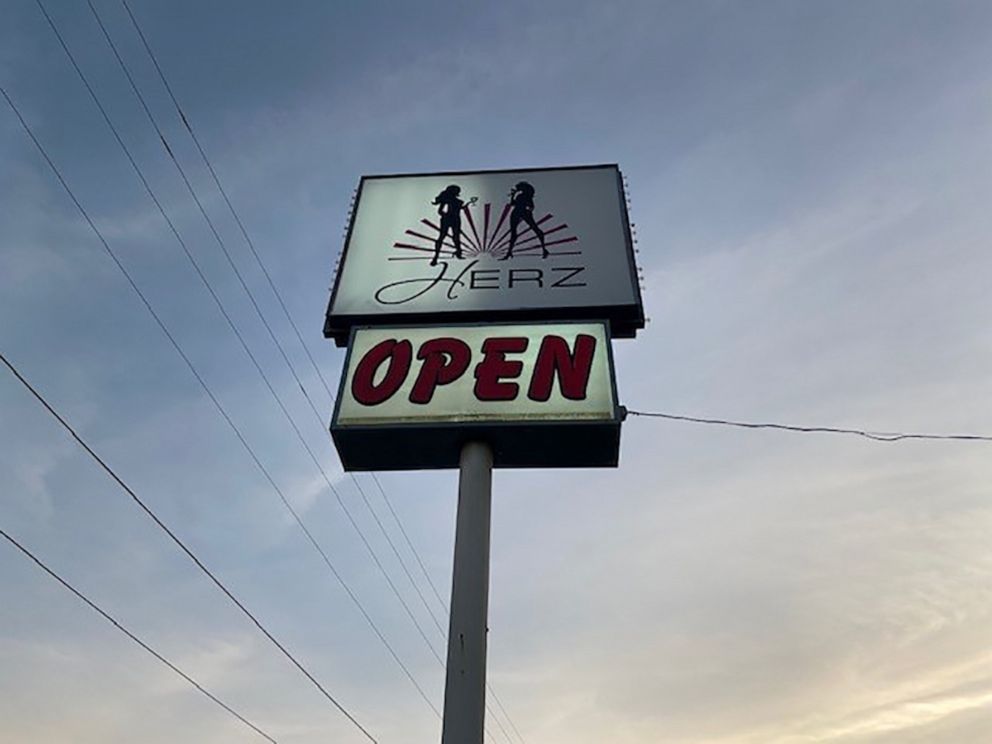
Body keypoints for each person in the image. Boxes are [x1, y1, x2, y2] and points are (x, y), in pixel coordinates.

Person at [430, 184, 476, 267]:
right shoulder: (447, 200)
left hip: (455, 219)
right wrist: (446, 216)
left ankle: (458, 252)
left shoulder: (457, 201)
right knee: (443, 237)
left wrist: (467, 205)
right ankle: (436, 257)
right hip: (449, 219)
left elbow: (458, 208)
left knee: (455, 237)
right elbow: (440, 211)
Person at [501, 181, 548, 260]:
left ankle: (544, 249)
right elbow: (512, 203)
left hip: (523, 213)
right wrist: (512, 196)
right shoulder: (519, 196)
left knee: (536, 229)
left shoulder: (526, 196)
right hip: (516, 213)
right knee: (513, 233)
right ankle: (509, 252)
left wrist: (527, 211)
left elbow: (531, 207)